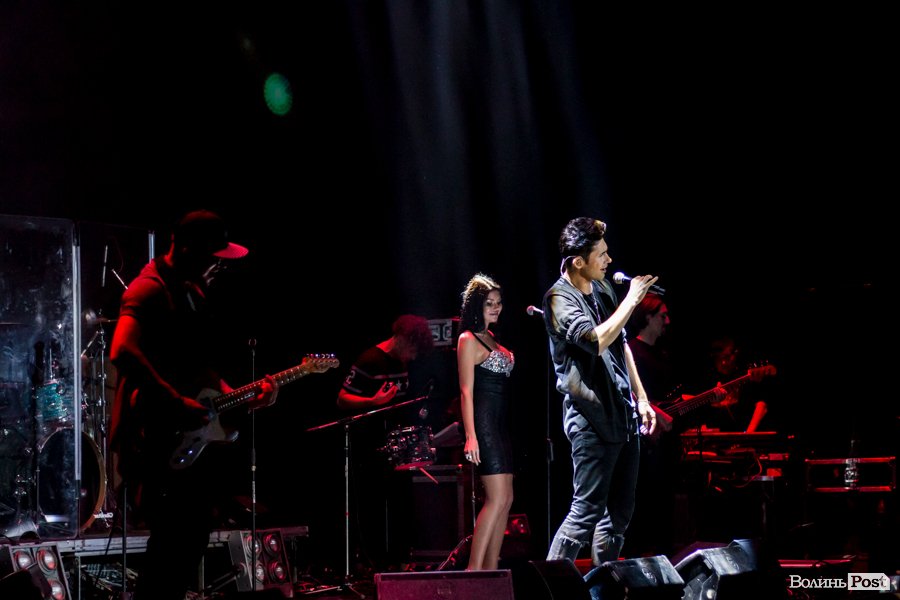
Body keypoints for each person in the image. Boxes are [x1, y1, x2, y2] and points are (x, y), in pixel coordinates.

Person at [109, 209, 279, 600]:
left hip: (180, 436)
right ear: (187, 249)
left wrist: (242, 396)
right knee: (171, 547)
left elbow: (196, 370)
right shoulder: (148, 289)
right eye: (212, 256)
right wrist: (174, 402)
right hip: (156, 436)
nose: (218, 264)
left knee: (186, 542)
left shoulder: (191, 291)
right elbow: (122, 350)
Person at [542, 217, 658, 565]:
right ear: (579, 261)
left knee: (619, 515)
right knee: (585, 513)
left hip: (622, 413)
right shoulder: (558, 299)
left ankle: (603, 585)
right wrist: (631, 301)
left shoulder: (603, 288)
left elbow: (620, 343)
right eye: (601, 255)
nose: (609, 260)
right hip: (590, 419)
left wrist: (641, 397)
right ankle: (548, 586)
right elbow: (595, 341)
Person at [335, 314, 434, 571]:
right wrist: (373, 402)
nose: (413, 357)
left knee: (401, 503)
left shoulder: (400, 362)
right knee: (375, 506)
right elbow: (342, 399)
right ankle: (376, 563)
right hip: (371, 446)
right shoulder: (369, 360)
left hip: (396, 447)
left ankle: (400, 560)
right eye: (413, 350)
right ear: (402, 339)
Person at [456, 273, 515, 570]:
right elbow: (466, 391)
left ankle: (491, 571)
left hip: (500, 426)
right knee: (496, 498)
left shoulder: (493, 339)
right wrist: (471, 436)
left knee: (507, 498)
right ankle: (474, 571)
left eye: (498, 302)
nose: (496, 308)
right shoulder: (468, 339)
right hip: (484, 425)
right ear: (476, 306)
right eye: (489, 303)